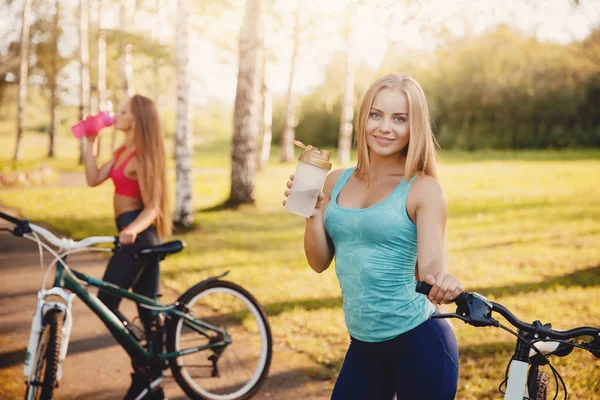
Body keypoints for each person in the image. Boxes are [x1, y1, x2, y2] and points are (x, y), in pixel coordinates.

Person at [283, 74, 463, 399]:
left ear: (414, 128)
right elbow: (319, 262)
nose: (385, 127)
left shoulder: (423, 189)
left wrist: (445, 282)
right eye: (376, 114)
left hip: (421, 341)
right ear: (363, 117)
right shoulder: (333, 180)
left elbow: (432, 271)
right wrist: (312, 215)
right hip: (364, 345)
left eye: (400, 119)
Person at [83, 94, 171, 400]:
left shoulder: (142, 157)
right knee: (147, 309)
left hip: (140, 237)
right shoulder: (123, 152)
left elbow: (154, 208)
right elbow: (93, 179)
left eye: (122, 111)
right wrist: (90, 142)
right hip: (131, 235)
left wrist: (131, 229)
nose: (116, 115)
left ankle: (145, 367)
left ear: (136, 119)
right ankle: (149, 381)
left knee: (105, 300)